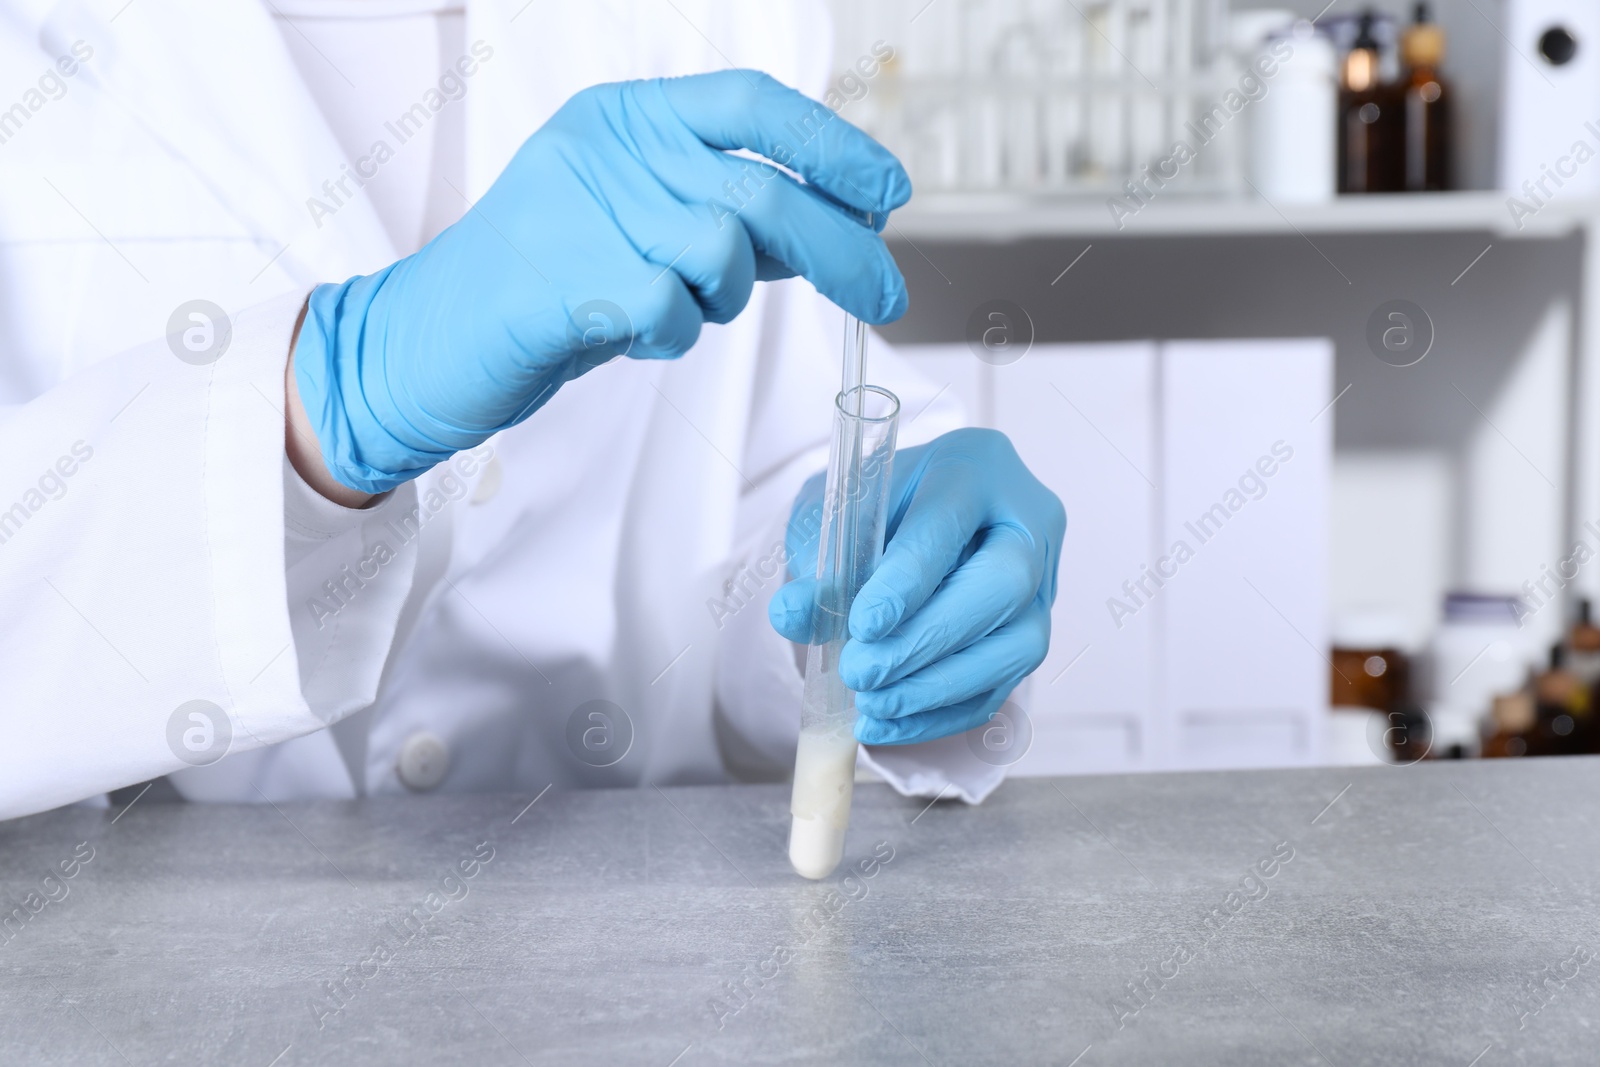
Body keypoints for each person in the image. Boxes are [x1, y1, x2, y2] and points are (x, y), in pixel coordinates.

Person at [0, 0, 1063, 820]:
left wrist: (853, 599)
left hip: (617, 973)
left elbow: (745, 486)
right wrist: (319, 403)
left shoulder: (716, 19)